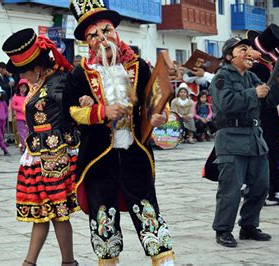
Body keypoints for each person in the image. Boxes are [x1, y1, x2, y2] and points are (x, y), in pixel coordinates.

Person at [64, 1, 174, 265]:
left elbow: (157, 100)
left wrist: (161, 116)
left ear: (116, 32)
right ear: (87, 43)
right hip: (99, 157)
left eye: (107, 30)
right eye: (94, 35)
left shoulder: (139, 66)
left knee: (148, 210)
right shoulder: (80, 74)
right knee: (103, 216)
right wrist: (101, 112)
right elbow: (69, 111)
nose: (102, 39)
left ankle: (164, 260)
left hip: (136, 153)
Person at [2, 28, 80, 266]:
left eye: (24, 72)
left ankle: (67, 262)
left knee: (58, 214)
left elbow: (72, 109)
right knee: (40, 214)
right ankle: (30, 263)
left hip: (55, 157)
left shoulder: (58, 82)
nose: (22, 77)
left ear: (36, 68)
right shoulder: (41, 81)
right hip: (37, 155)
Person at [209, 37, 279, 248]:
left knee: (261, 186)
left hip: (254, 137)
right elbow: (226, 103)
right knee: (231, 189)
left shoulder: (251, 76)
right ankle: (223, 230)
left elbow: (269, 102)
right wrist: (253, 93)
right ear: (229, 56)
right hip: (232, 138)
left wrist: (277, 83)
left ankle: (249, 226)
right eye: (243, 49)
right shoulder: (221, 77)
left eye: (249, 48)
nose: (249, 53)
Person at [247, 24, 279, 206]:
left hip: (266, 115)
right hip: (271, 115)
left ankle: (272, 191)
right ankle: (269, 189)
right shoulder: (271, 66)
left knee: (268, 153)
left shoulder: (260, 68)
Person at [11, 79, 29, 153]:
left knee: (28, 133)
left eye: (25, 87)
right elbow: (12, 105)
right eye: (21, 87)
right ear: (18, 88)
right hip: (20, 118)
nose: (23, 89)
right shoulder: (16, 96)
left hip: (28, 117)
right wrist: (20, 109)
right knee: (22, 133)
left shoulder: (29, 95)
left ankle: (27, 147)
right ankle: (23, 147)